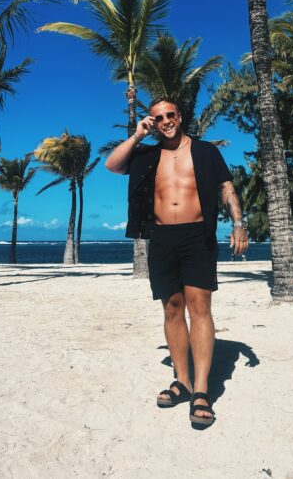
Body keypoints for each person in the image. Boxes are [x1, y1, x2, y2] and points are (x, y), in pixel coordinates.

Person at [105, 97, 248, 427]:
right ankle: (182, 380)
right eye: (158, 117)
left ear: (180, 117)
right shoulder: (146, 154)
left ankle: (201, 390)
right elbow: (112, 165)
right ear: (152, 122)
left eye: (170, 115)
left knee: (199, 307)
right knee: (171, 308)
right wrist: (138, 135)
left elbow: (226, 187)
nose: (166, 121)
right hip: (162, 238)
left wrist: (239, 223)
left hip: (197, 236)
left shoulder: (205, 151)